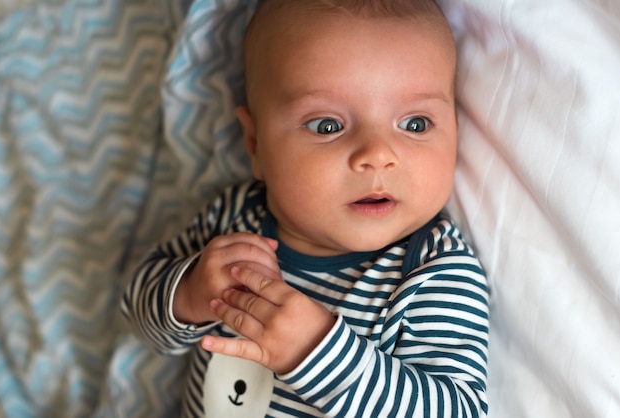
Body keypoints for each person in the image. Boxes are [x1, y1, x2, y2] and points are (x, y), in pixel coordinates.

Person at [122, 0, 489, 417]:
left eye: (415, 124)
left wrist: (316, 353)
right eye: (328, 125)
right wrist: (188, 293)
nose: (377, 155)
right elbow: (139, 319)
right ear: (256, 145)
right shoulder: (235, 220)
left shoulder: (431, 272)